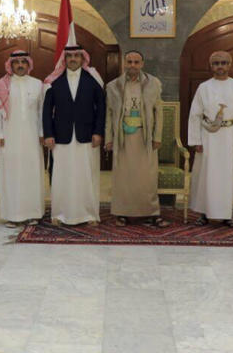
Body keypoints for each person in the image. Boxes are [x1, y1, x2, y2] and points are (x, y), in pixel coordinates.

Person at [104, 50, 168, 227]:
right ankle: (121, 213)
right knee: (122, 177)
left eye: (136, 62)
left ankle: (151, 213)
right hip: (122, 138)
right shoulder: (113, 86)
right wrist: (109, 138)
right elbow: (109, 115)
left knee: (147, 177)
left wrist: (157, 136)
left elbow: (159, 112)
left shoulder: (153, 83)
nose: (132, 65)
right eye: (129, 62)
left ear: (142, 64)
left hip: (145, 138)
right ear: (124, 63)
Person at [43, 45, 105, 226]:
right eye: (69, 56)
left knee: (87, 176)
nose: (73, 59)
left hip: (87, 136)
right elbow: (47, 111)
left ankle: (89, 214)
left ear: (83, 58)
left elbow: (101, 108)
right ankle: (60, 214)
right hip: (61, 138)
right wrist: (48, 134)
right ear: (64, 59)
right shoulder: (54, 82)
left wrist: (98, 132)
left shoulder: (92, 80)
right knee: (62, 176)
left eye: (76, 56)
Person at [188, 50, 233, 227]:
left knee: (226, 176)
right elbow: (195, 115)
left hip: (229, 136)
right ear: (211, 66)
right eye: (216, 63)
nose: (220, 66)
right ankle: (204, 213)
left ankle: (226, 214)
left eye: (223, 63)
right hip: (207, 137)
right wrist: (196, 140)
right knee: (205, 175)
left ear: (230, 65)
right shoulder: (204, 87)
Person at [0, 50, 46, 228]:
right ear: (11, 65)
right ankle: (12, 215)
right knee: (11, 173)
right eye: (17, 62)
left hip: (32, 137)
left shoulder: (38, 84)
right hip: (10, 136)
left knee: (32, 172)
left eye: (24, 62)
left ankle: (33, 213)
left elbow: (41, 112)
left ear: (29, 64)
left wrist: (41, 132)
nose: (20, 65)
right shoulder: (2, 85)